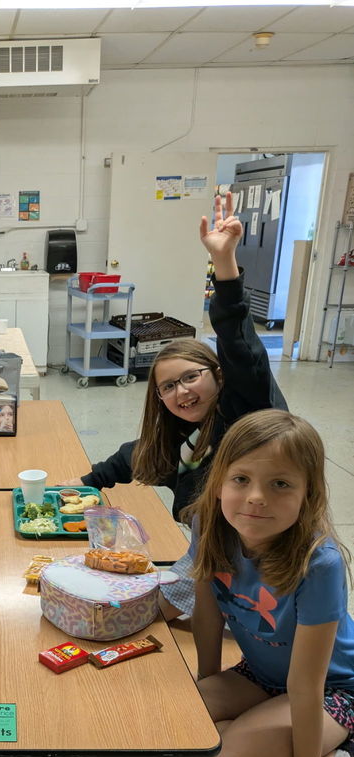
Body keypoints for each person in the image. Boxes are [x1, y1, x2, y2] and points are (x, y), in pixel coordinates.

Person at [144, 409, 354, 757]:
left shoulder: (320, 562)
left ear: (310, 494)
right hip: (261, 678)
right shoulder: (211, 526)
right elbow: (207, 615)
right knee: (183, 717)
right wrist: (207, 691)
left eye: (280, 484)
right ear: (219, 482)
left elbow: (310, 687)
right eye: (241, 479)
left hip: (334, 693)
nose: (255, 498)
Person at [64, 193, 286, 617]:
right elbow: (139, 454)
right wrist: (89, 481)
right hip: (209, 555)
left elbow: (241, 345)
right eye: (167, 387)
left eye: (191, 377)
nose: (180, 392)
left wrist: (225, 265)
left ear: (219, 375)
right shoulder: (181, 438)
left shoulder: (247, 412)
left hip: (259, 567)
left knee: (126, 614)